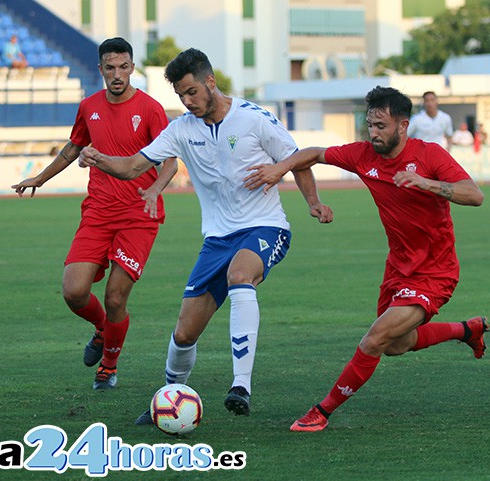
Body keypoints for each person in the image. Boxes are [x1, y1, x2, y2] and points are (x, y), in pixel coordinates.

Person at [78, 48, 333, 420]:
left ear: (210, 82)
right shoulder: (182, 129)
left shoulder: (255, 118)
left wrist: (312, 201)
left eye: (192, 92)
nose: (188, 101)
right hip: (217, 239)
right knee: (184, 333)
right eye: (181, 95)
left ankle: (241, 385)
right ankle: (167, 397)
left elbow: (298, 158)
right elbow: (135, 167)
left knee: (240, 276)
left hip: (264, 227)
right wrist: (100, 159)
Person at [243, 85, 487, 432]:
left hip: (436, 271)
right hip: (398, 268)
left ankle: (321, 412)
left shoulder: (429, 155)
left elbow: (474, 195)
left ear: (403, 126)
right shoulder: (363, 155)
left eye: (381, 126)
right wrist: (279, 169)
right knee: (396, 345)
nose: (373, 133)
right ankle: (467, 329)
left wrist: (426, 184)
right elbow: (313, 153)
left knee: (374, 339)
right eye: (369, 125)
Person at [11, 38, 178, 390]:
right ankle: (103, 329)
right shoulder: (89, 106)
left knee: (116, 297)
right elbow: (74, 145)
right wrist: (40, 177)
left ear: (132, 67)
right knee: (73, 291)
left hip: (138, 214)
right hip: (98, 211)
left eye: (123, 66)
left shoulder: (150, 109)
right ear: (100, 69)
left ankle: (109, 366)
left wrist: (154, 189)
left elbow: (170, 161)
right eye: (110, 67)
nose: (117, 74)